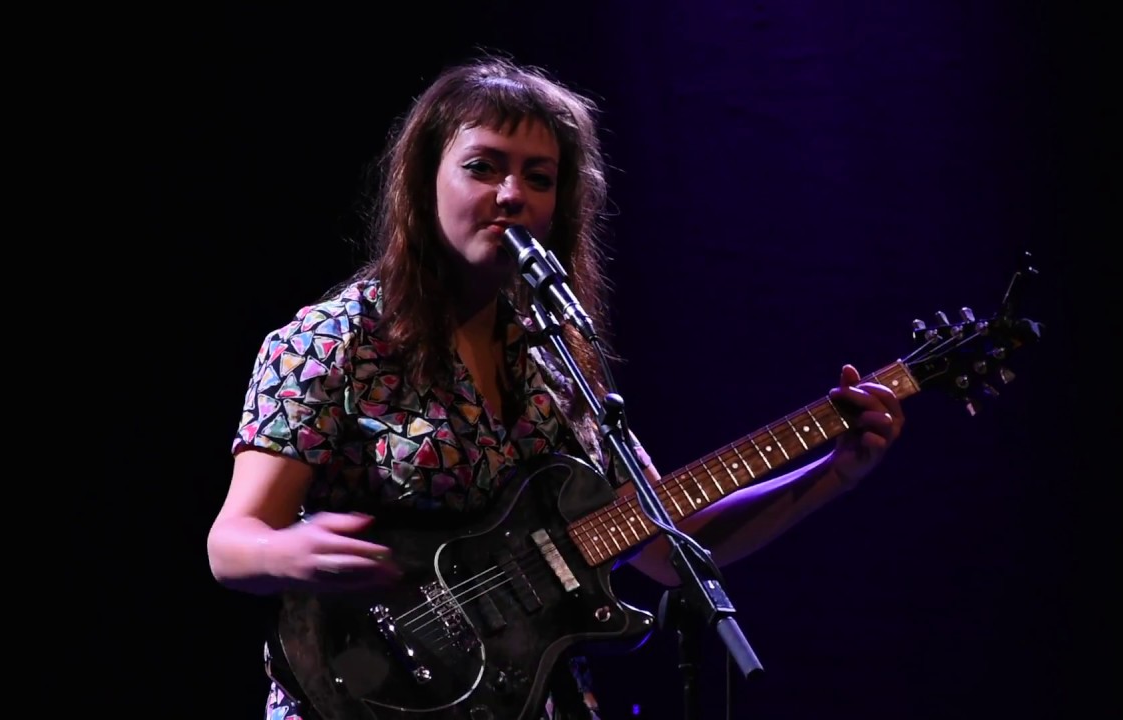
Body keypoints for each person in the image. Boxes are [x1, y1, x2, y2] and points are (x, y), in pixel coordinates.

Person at [207, 54, 905, 720]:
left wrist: (834, 469)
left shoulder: (558, 359)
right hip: (367, 690)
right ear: (425, 183)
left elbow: (665, 546)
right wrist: (289, 552)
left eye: (538, 178)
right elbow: (232, 542)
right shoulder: (331, 340)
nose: (512, 194)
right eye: (483, 168)